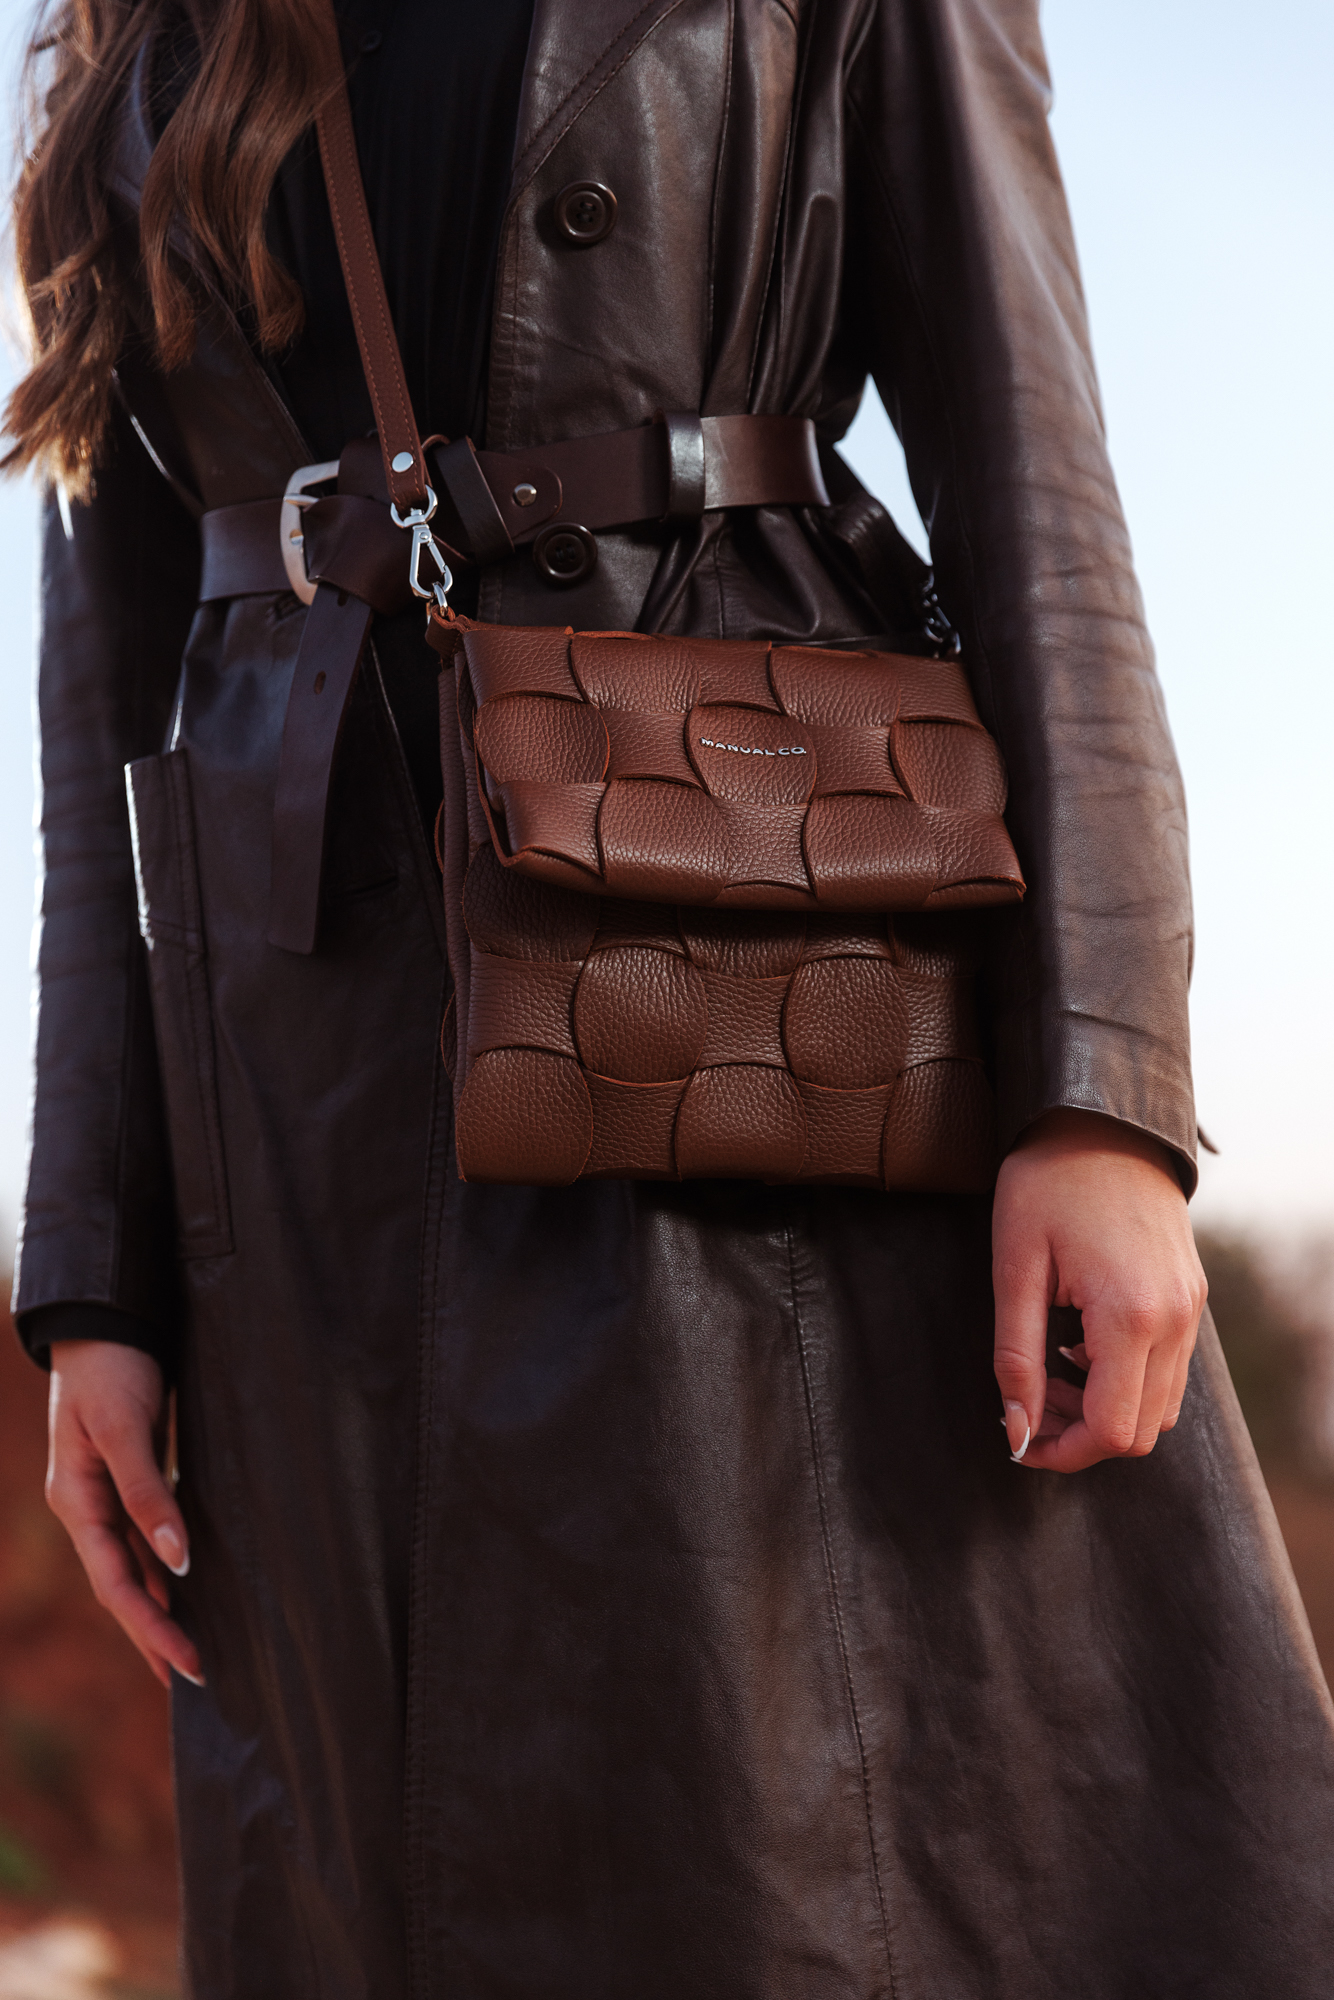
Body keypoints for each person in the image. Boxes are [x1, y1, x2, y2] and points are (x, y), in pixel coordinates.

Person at [7, 0, 1334, 1992]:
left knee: (781, 1855)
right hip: (298, 1123)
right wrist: (94, 1279)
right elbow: (103, 690)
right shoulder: (130, 33)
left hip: (742, 984)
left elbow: (1036, 496)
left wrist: (1098, 1093)